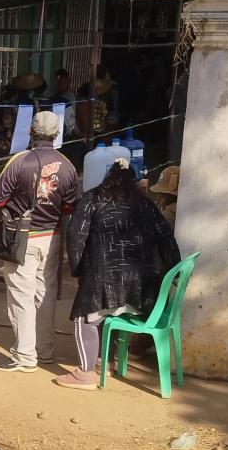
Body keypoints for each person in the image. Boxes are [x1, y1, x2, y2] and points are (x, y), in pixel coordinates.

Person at [59, 160, 181, 391]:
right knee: (112, 313)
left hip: (103, 283)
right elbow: (167, 238)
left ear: (107, 180)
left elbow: (75, 238)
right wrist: (176, 270)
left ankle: (86, 373)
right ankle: (106, 361)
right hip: (141, 294)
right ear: (133, 182)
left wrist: (78, 271)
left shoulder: (92, 199)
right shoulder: (145, 204)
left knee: (84, 317)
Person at [0, 110, 81, 372]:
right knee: (45, 293)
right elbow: (72, 204)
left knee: (21, 296)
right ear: (57, 134)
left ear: (31, 131)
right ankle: (44, 350)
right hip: (52, 237)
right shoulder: (67, 165)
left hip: (22, 236)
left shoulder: (20, 161)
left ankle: (25, 357)